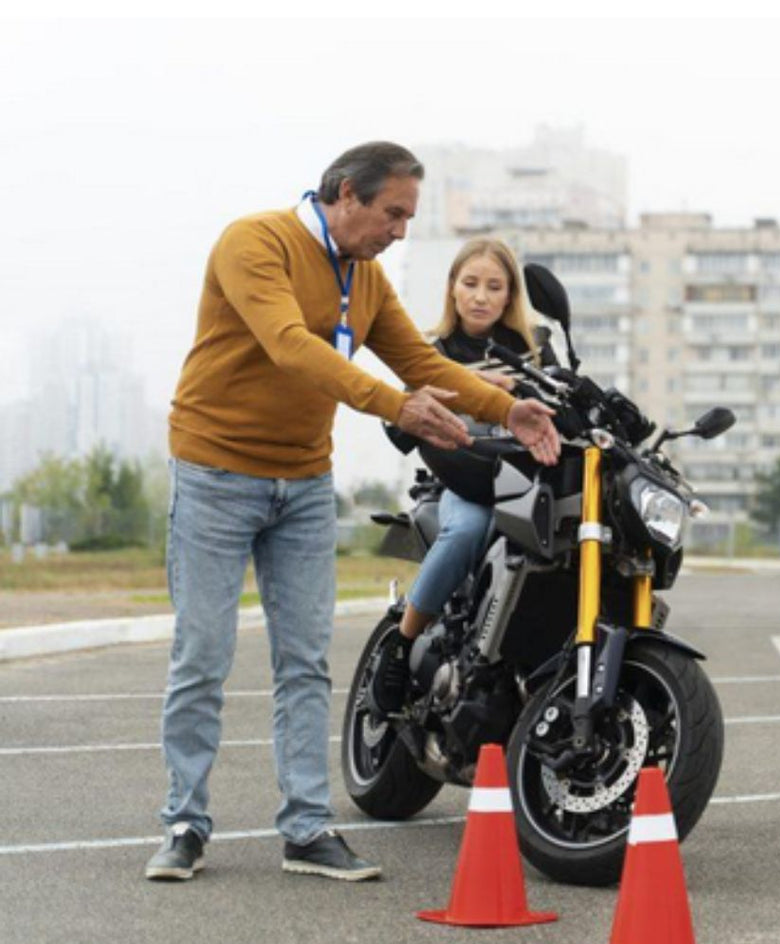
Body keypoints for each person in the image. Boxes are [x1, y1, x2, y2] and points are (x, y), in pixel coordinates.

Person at [145, 142, 560, 884]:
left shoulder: (364, 278)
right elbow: (291, 348)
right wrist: (396, 406)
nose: (399, 230)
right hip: (215, 470)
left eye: (409, 216)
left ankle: (306, 830)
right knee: (203, 655)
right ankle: (184, 822)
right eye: (392, 212)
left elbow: (425, 365)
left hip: (302, 482)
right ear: (344, 193)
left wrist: (510, 409)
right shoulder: (256, 242)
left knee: (304, 662)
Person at [368, 237, 558, 715]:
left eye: (494, 286)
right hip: (464, 483)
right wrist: (463, 389)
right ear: (452, 289)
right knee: (468, 530)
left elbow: (566, 404)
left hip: (529, 483)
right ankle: (398, 646)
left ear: (510, 295)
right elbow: (400, 424)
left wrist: (522, 388)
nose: (480, 296)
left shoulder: (537, 351)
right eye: (470, 283)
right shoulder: (434, 352)